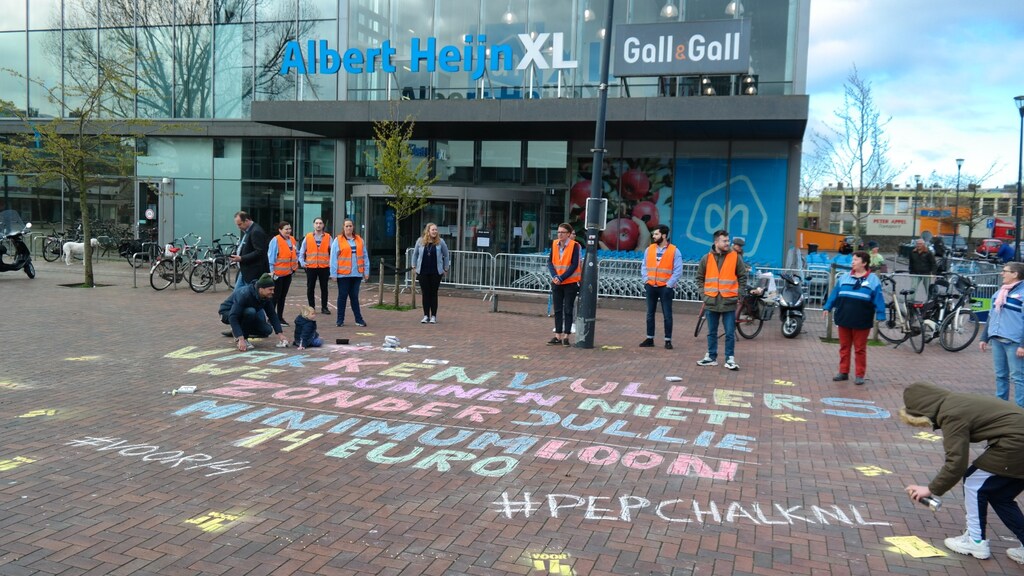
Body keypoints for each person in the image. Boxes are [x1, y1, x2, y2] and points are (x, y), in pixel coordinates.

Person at [902, 382, 1024, 564]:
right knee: (1000, 496)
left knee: (973, 481)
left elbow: (956, 463)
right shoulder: (956, 401)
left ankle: (975, 541)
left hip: (1017, 444)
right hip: (1017, 441)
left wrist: (930, 489)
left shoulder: (950, 414)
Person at [822, 250, 886, 385]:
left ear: (864, 263)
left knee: (860, 349)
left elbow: (878, 298)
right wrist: (827, 307)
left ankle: (859, 375)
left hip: (862, 319)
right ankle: (843, 372)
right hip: (844, 317)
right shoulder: (844, 277)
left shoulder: (873, 279)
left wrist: (880, 314)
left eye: (855, 260)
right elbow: (834, 294)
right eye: (852, 260)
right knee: (844, 347)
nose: (852, 262)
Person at [695, 229, 750, 368]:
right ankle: (711, 357)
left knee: (730, 333)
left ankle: (729, 358)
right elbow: (699, 278)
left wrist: (738, 293)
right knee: (711, 332)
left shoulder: (735, 257)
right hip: (711, 301)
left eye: (728, 240)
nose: (727, 243)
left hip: (728, 301)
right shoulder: (706, 258)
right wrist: (704, 295)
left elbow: (743, 277)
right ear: (716, 242)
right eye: (724, 241)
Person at [979, 262, 1024, 408]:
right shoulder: (1000, 292)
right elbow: (992, 316)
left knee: (1018, 377)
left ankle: (1020, 410)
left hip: (1014, 341)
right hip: (997, 339)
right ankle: (1000, 407)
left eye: (1005, 271)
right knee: (1000, 375)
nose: (1001, 273)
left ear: (1015, 274)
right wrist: (984, 337)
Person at [638, 224, 682, 350]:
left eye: (656, 234)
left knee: (667, 315)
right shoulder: (649, 249)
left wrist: (669, 285)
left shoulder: (674, 251)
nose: (653, 236)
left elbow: (678, 270)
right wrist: (646, 280)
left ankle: (668, 340)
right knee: (649, 314)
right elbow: (644, 266)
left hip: (665, 288)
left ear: (663, 235)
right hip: (651, 286)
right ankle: (649, 338)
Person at [218, 273, 289, 351]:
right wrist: (241, 339)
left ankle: (238, 330)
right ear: (261, 289)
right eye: (270, 289)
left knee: (267, 330)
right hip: (227, 313)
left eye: (273, 289)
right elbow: (233, 316)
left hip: (243, 313)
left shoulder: (266, 296)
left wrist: (280, 334)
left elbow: (272, 314)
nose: (272, 292)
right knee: (250, 312)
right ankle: (242, 336)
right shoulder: (245, 294)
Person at [547, 223, 582, 346]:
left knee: (568, 308)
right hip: (557, 282)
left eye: (562, 232)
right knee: (557, 309)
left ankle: (566, 336)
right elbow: (550, 262)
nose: (559, 234)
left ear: (568, 234)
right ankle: (557, 335)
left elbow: (574, 265)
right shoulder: (554, 244)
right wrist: (555, 277)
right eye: (558, 232)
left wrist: (562, 277)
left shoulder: (575, 246)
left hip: (570, 282)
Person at [330, 219, 369, 327]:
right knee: (342, 296)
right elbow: (333, 258)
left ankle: (358, 319)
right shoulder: (338, 240)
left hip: (357, 274)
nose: (349, 228)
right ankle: (340, 320)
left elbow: (365, 256)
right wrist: (333, 273)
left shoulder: (359, 240)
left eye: (350, 226)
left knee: (354, 297)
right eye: (346, 226)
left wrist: (366, 271)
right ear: (343, 227)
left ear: (353, 227)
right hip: (343, 274)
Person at [412, 222, 451, 324]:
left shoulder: (440, 242)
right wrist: (414, 266)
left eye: (436, 230)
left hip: (435, 272)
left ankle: (433, 316)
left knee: (433, 293)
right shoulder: (420, 241)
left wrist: (446, 268)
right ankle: (426, 315)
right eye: (433, 230)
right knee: (425, 293)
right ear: (428, 231)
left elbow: (446, 255)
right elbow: (415, 254)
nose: (435, 231)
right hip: (423, 271)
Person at [267, 221, 298, 327]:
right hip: (278, 274)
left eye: (290, 229)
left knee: (282, 297)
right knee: (275, 296)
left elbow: (295, 253)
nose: (288, 231)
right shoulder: (275, 240)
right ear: (280, 230)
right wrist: (272, 273)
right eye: (286, 229)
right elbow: (271, 257)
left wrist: (295, 266)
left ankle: (279, 317)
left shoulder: (292, 239)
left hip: (288, 273)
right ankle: (271, 319)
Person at [299, 217, 332, 314]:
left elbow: (333, 252)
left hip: (324, 267)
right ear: (313, 225)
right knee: (310, 288)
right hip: (311, 266)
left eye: (320, 223)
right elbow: (301, 251)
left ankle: (324, 307)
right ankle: (311, 307)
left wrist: (331, 263)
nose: (318, 225)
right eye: (316, 223)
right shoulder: (308, 237)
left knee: (324, 288)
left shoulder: (328, 237)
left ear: (323, 225)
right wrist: (302, 262)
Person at [229, 211, 269, 289]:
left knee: (241, 295)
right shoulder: (249, 231)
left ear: (247, 220)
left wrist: (241, 258)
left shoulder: (256, 231)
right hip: (245, 270)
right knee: (238, 295)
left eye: (240, 224)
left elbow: (259, 252)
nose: (238, 227)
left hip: (252, 272)